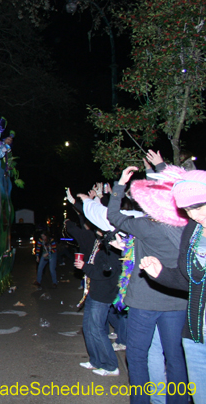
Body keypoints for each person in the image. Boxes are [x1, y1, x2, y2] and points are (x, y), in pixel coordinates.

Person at [108, 165, 188, 404]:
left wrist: (120, 185)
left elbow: (114, 216)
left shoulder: (146, 226)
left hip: (144, 301)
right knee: (175, 358)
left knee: (137, 356)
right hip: (177, 301)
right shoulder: (186, 227)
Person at [139, 168, 206, 403]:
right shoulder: (194, 230)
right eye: (188, 210)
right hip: (196, 336)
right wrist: (161, 274)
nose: (195, 215)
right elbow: (189, 280)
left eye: (199, 207)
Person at [75, 233, 122, 376]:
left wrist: (85, 267)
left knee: (97, 330)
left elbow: (106, 273)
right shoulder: (102, 246)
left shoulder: (111, 250)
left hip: (102, 296)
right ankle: (96, 361)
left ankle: (111, 366)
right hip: (94, 293)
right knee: (89, 329)